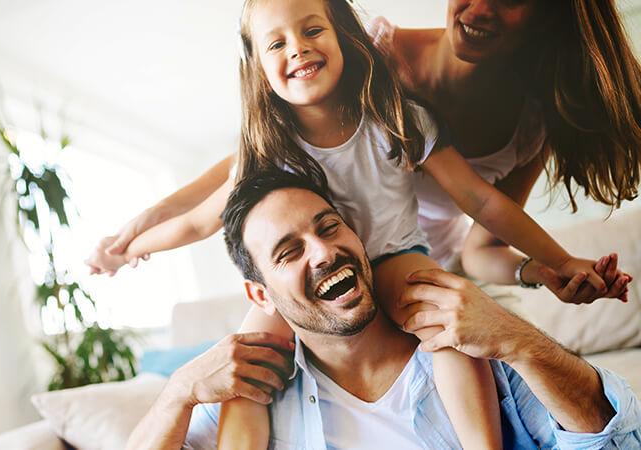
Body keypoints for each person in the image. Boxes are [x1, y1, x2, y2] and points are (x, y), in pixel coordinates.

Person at [87, 0, 633, 448]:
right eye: (276, 44)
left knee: (446, 323)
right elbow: (197, 223)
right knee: (250, 368)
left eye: (311, 30)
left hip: (395, 255)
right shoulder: (270, 147)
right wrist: (133, 245)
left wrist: (559, 262)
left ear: (344, 37)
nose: (297, 48)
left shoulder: (394, 115)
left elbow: (483, 203)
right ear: (258, 67)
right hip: (313, 285)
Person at [126, 170, 641, 450]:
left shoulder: (474, 351)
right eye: (289, 251)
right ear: (260, 295)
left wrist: (518, 341)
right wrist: (176, 394)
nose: (324, 252)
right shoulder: (253, 396)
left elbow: (613, 441)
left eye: (329, 227)